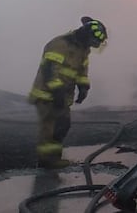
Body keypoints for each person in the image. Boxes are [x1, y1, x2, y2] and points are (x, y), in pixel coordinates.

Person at [28, 16, 108, 169]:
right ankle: (46, 161)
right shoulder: (60, 44)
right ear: (87, 36)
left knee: (63, 125)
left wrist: (83, 86)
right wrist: (56, 90)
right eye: (93, 42)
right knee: (49, 128)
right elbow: (50, 70)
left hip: (62, 95)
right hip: (46, 94)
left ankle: (54, 159)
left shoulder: (83, 48)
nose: (93, 46)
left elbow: (81, 69)